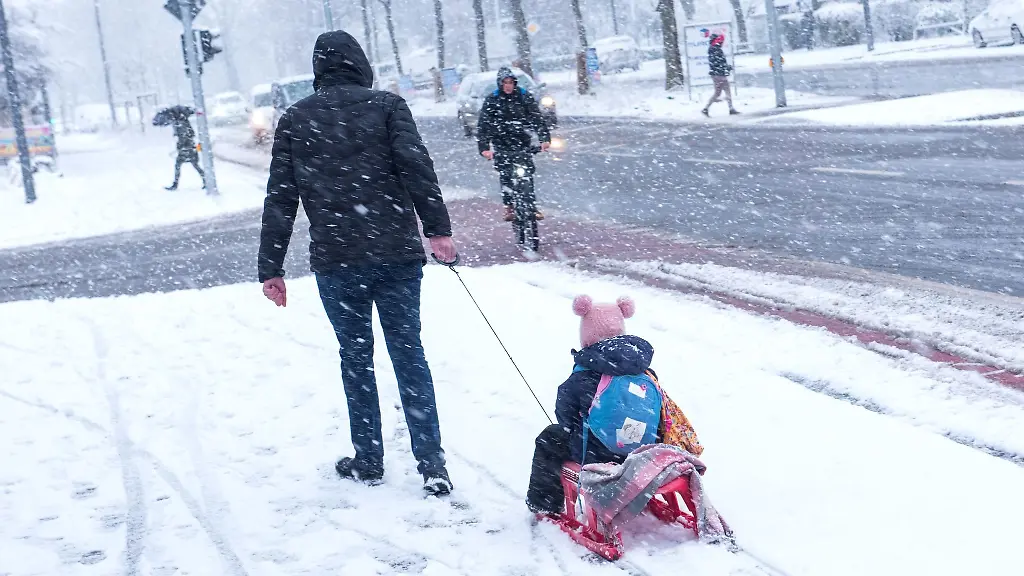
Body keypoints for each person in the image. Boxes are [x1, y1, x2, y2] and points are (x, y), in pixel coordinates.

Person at [257, 30, 458, 496]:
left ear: (318, 71)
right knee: (409, 354)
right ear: (360, 64)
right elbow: (417, 168)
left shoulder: (296, 119)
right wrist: (438, 230)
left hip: (337, 259)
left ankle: (368, 458)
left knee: (356, 358)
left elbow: (280, 198)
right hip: (395, 253)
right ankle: (432, 465)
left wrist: (271, 267)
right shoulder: (387, 107)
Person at [525, 295, 703, 514]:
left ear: (586, 336)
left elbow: (565, 414)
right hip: (642, 452)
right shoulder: (642, 368)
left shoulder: (584, 374)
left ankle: (544, 504)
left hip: (597, 453)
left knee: (549, 438)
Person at [476, 67, 551, 222]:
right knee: (506, 175)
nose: (508, 86)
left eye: (511, 82)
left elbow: (537, 118)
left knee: (527, 175)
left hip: (522, 143)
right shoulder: (492, 100)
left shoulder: (524, 97)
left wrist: (544, 138)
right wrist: (484, 148)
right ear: (500, 84)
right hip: (501, 144)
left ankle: (531, 205)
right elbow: (483, 126)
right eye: (505, 83)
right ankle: (509, 206)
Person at [701, 34, 739, 117]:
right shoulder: (717, 49)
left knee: (717, 93)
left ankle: (706, 108)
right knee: (726, 91)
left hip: (715, 74)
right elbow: (720, 62)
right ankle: (731, 108)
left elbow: (715, 63)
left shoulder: (711, 49)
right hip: (720, 74)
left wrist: (724, 67)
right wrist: (726, 68)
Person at [165, 114, 205, 190]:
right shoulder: (184, 124)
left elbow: (184, 138)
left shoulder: (181, 126)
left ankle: (175, 184)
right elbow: (189, 136)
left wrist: (181, 146)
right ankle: (205, 180)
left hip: (187, 150)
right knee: (194, 166)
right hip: (189, 149)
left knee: (180, 166)